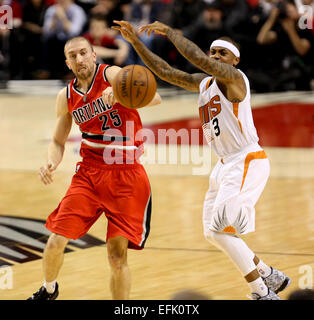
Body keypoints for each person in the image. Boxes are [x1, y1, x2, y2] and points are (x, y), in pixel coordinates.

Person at [113, 20, 290, 300]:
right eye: (213, 52)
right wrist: (136, 42)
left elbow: (195, 57)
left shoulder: (235, 79)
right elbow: (165, 71)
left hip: (246, 160)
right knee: (212, 233)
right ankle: (268, 273)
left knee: (221, 231)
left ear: (235, 60)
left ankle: (262, 292)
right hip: (223, 165)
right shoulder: (204, 83)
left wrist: (171, 32)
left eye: (223, 53)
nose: (216, 56)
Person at [27, 36, 162, 300]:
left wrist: (123, 93)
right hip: (88, 173)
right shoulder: (66, 96)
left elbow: (154, 97)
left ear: (93, 55)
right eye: (73, 56)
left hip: (126, 173)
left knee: (116, 256)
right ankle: (49, 289)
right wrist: (51, 162)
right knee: (55, 241)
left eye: (83, 53)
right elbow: (57, 140)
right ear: (67, 62)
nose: (79, 59)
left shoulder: (112, 74)